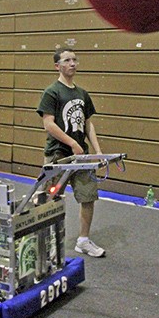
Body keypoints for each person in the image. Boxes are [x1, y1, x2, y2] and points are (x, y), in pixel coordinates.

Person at [36, 47, 105, 257]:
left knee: (88, 196)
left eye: (75, 59)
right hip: (59, 154)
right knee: (49, 198)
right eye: (67, 60)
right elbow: (49, 124)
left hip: (81, 156)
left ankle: (83, 240)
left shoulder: (82, 94)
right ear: (57, 66)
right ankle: (45, 241)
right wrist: (70, 143)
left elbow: (88, 125)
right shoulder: (52, 92)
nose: (72, 63)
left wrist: (98, 152)